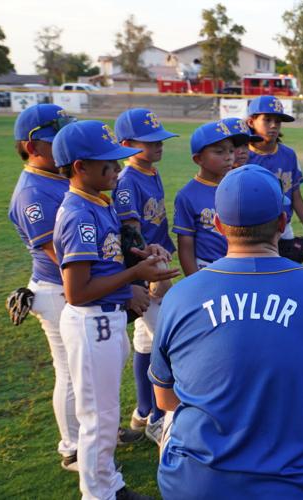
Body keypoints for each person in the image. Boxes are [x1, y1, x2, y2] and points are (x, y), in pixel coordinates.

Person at [149, 165, 303, 499]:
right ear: (282, 225)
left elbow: (165, 398)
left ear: (220, 226)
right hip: (293, 482)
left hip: (196, 484)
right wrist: (284, 408)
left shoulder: (182, 295)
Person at [52, 120, 178, 500]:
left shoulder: (98, 201)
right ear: (80, 168)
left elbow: (107, 258)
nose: (118, 170)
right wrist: (133, 276)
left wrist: (139, 255)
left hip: (105, 320)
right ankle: (99, 492)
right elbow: (76, 291)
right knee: (99, 419)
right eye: (108, 165)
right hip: (91, 321)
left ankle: (108, 483)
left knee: (104, 416)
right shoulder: (79, 213)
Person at [8, 103, 80, 471]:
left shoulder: (56, 177)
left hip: (72, 286)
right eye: (56, 142)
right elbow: (61, 254)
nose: (65, 148)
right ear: (32, 147)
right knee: (68, 370)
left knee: (81, 370)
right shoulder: (33, 191)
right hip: (58, 289)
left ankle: (88, 432)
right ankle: (72, 448)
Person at [112, 108, 179, 444]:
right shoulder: (127, 181)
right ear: (126, 144)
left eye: (160, 140)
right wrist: (155, 274)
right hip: (142, 269)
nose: (158, 147)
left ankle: (142, 412)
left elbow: (158, 224)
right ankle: (155, 415)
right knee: (165, 340)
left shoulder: (150, 172)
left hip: (154, 264)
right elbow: (133, 234)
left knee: (146, 340)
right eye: (149, 142)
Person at [246, 95, 303, 246]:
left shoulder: (288, 155)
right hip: (253, 228)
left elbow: (295, 195)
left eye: (277, 121)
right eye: (267, 119)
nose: (273, 125)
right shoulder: (243, 156)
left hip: (284, 229)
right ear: (251, 122)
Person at [173, 121, 235, 276]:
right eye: (219, 152)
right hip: (208, 269)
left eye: (231, 150)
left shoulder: (237, 186)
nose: (228, 157)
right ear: (198, 159)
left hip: (238, 265)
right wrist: (194, 283)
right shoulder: (187, 196)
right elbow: (186, 247)